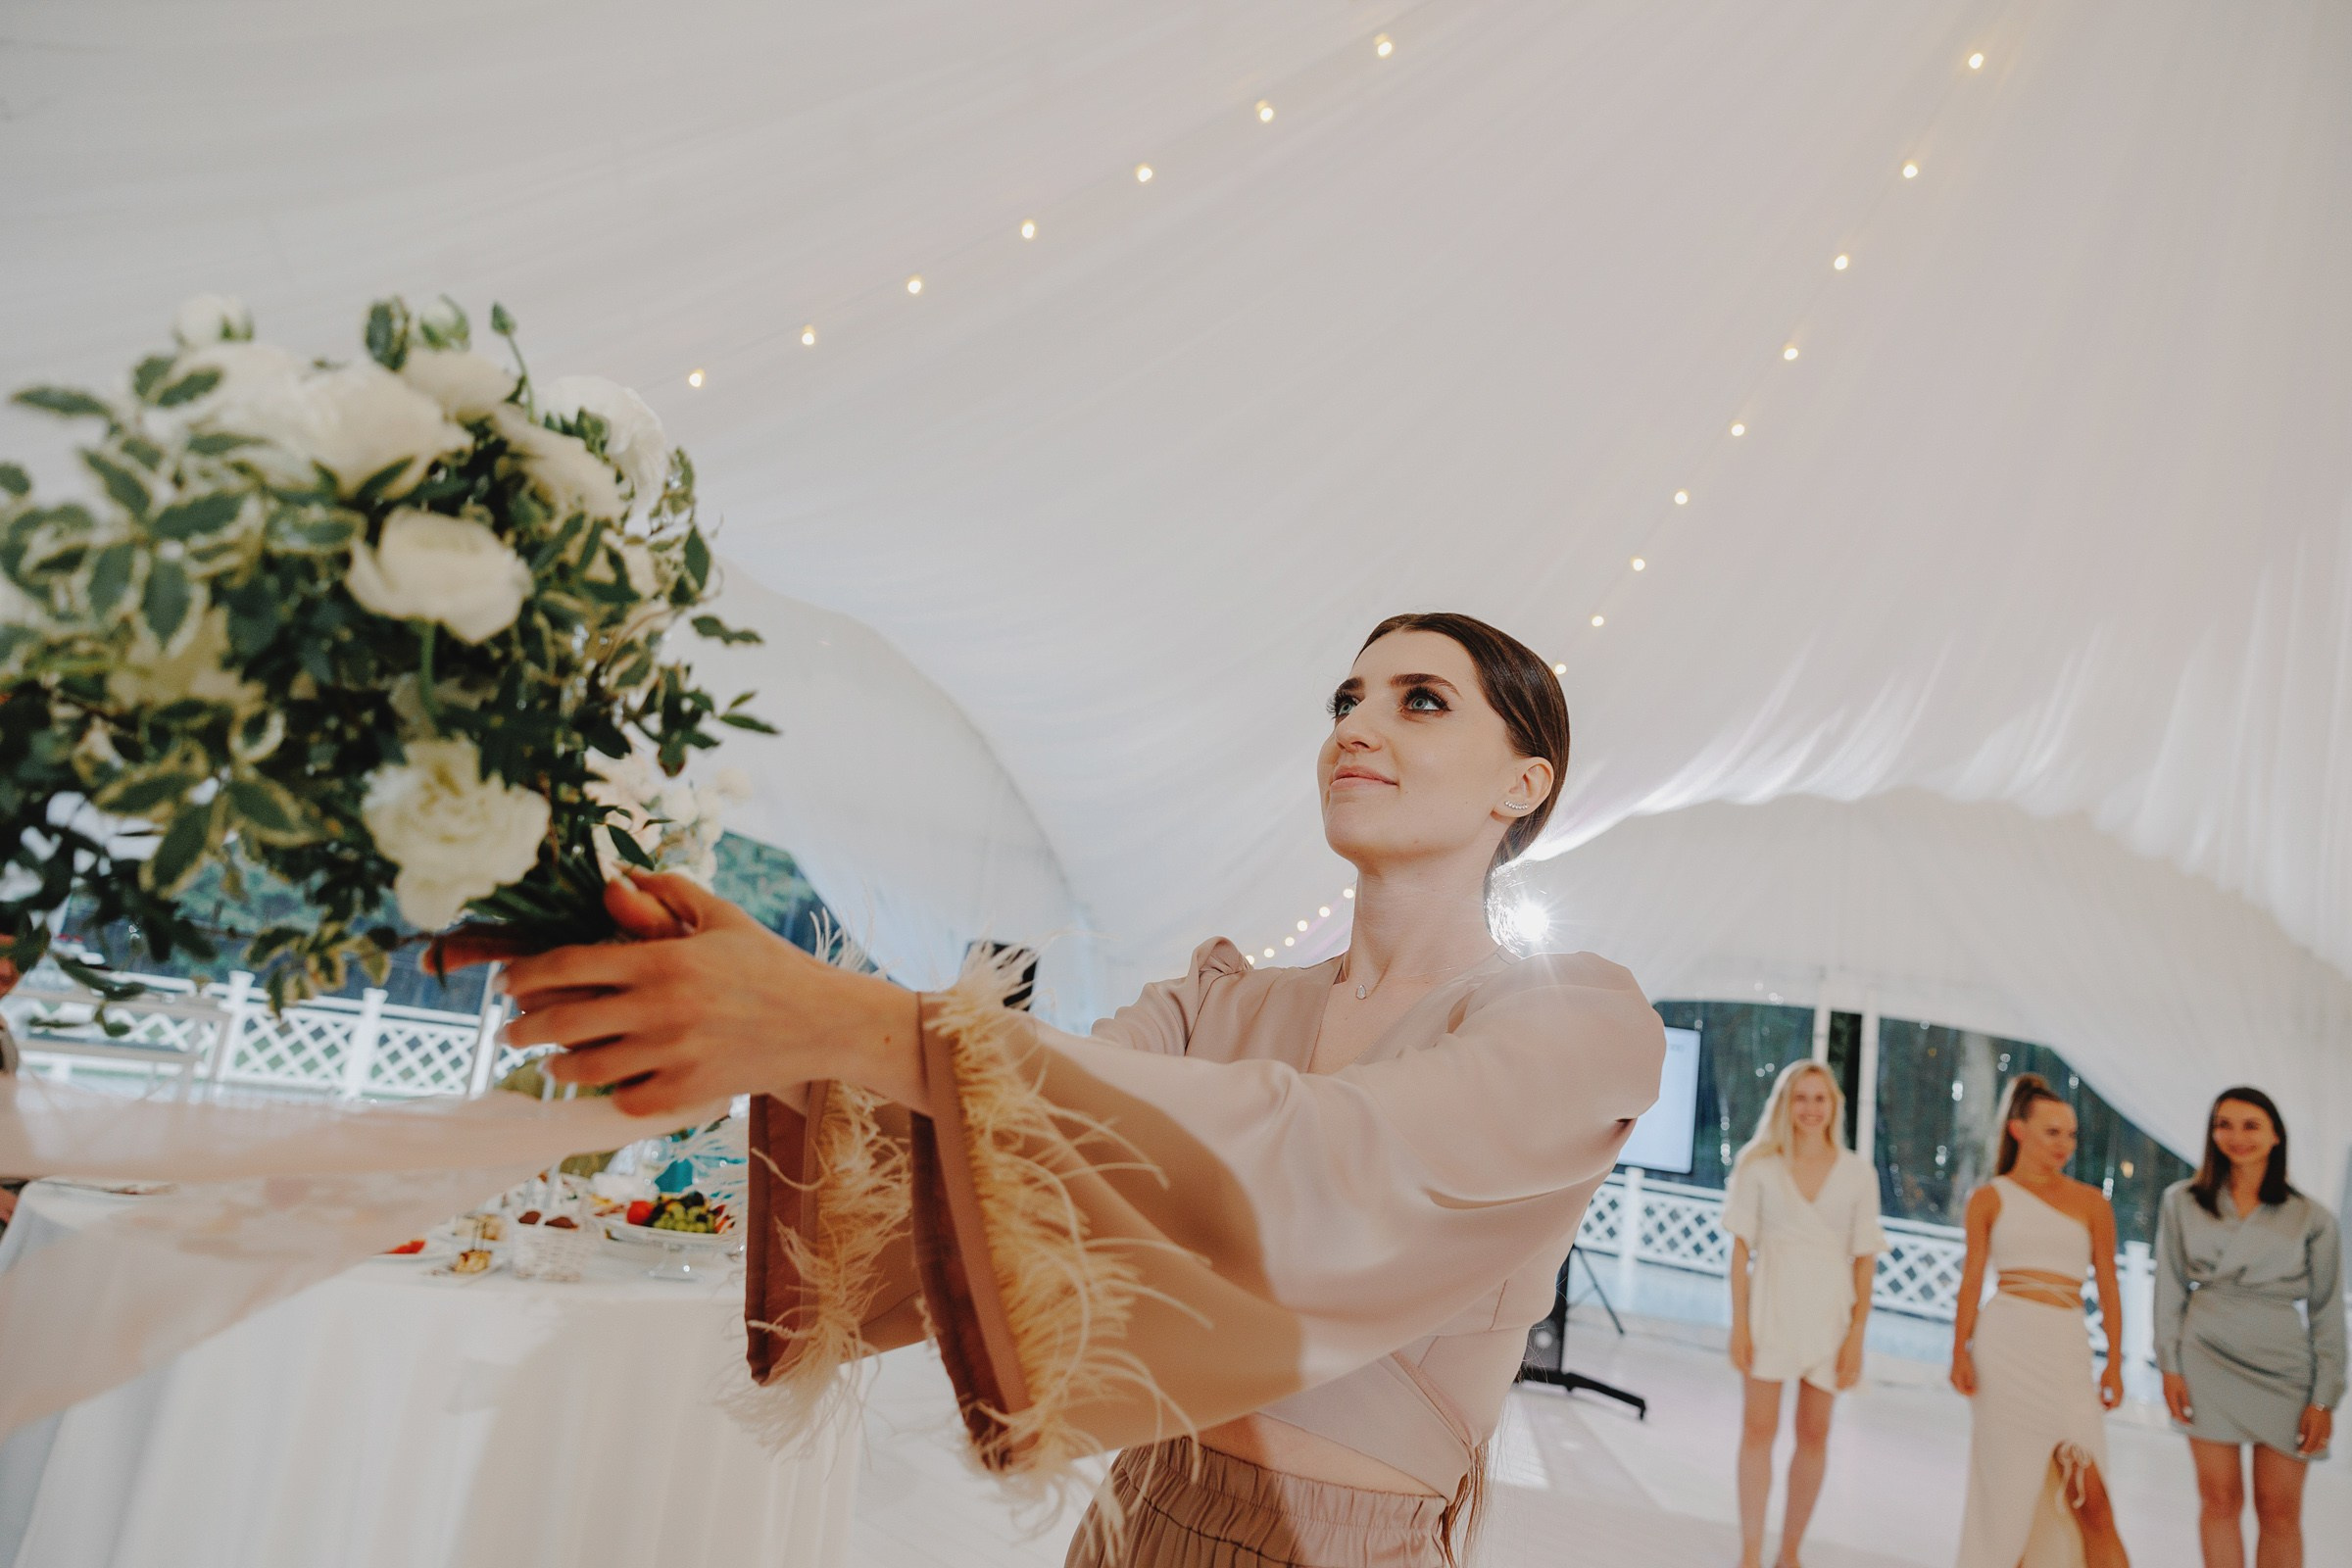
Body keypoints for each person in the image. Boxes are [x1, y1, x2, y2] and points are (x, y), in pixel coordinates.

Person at [490, 612, 1667, 1568]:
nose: (1357, 724)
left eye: (1420, 698)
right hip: (1132, 1526)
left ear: (1525, 781)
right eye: (1346, 700)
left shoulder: (1578, 1025)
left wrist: (840, 1012)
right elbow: (998, 1130)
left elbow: (1335, 1164)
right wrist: (773, 1018)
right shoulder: (1218, 1002)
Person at [2154, 1087, 2343, 1568]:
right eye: (2224, 1124)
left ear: (2276, 1135)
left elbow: (2326, 1310)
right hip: (2205, 1359)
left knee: (2280, 1511)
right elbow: (2169, 1292)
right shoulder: (2181, 1202)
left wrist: (2325, 1396)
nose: (2236, 1137)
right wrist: (2170, 1367)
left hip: (2284, 1369)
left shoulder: (2313, 1217)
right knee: (2218, 1502)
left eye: (2250, 1125)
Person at [1950, 1074, 2130, 1567]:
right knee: (2007, 1504)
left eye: (2071, 1135)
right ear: (2018, 1130)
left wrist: (2114, 1363)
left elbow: (2109, 1288)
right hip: (2004, 1352)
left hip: (2067, 1353)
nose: (2065, 1145)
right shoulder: (1989, 1198)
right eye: (2053, 1132)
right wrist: (1959, 1350)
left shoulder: (2092, 1203)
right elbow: (1971, 1281)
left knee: (2094, 1504)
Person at [1724, 1059, 1886, 1568]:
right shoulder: (1759, 1165)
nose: (1811, 1109)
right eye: (1801, 1098)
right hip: (1770, 1306)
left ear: (1834, 1105)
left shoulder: (1860, 1174)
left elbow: (1865, 1259)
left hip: (1829, 1314)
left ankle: (1789, 1551)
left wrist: (1857, 1334)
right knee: (1758, 1431)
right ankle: (1751, 1550)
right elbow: (1739, 1253)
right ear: (1785, 1105)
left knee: (1815, 1434)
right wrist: (1739, 1324)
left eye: (1820, 1098)